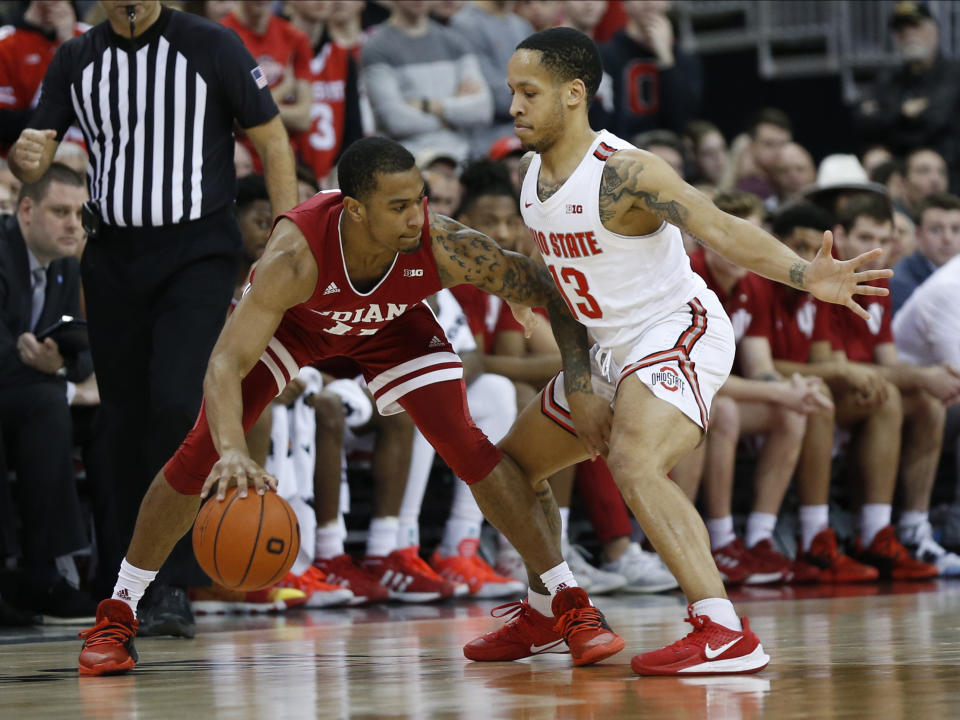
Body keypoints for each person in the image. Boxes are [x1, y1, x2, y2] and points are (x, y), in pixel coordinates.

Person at [76, 136, 625, 676]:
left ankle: (568, 603)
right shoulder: (294, 256)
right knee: (198, 455)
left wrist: (571, 367)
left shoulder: (443, 243)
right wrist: (231, 452)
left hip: (391, 326)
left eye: (421, 201)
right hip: (295, 327)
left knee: (468, 446)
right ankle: (119, 611)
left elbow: (549, 288)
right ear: (355, 209)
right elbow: (223, 364)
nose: (417, 217)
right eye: (399, 206)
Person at [466, 27, 890, 676]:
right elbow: (560, 288)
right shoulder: (531, 180)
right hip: (608, 349)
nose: (515, 106)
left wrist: (806, 275)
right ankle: (548, 603)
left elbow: (719, 226)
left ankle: (722, 630)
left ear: (574, 94)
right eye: (511, 93)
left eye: (529, 92)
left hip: (677, 330)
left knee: (634, 461)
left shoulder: (626, 172)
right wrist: (578, 380)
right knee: (505, 470)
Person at [8, 0, 298, 638]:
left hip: (197, 249)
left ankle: (172, 584)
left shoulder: (211, 44)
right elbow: (35, 157)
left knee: (174, 401)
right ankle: (126, 582)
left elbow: (272, 139)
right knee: (122, 421)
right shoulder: (75, 57)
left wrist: (286, 239)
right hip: (111, 255)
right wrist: (24, 157)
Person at [828, 193, 960, 575]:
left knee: (925, 402)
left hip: (861, 394)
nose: (875, 250)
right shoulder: (829, 284)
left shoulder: (876, 287)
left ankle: (912, 530)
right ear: (839, 235)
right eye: (865, 237)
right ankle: (870, 532)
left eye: (883, 240)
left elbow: (885, 364)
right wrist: (924, 376)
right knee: (890, 397)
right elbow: (838, 369)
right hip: (824, 394)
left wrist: (923, 381)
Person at [0, 163, 96, 619]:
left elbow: (81, 345)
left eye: (79, 214)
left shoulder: (63, 267)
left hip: (26, 395)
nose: (73, 225)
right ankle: (28, 571)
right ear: (25, 210)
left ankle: (80, 571)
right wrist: (63, 384)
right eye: (60, 211)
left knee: (109, 419)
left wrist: (59, 365)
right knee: (46, 405)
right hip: (17, 393)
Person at [362, 1, 492, 164]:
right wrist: (454, 114)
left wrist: (428, 106)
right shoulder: (377, 47)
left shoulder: (454, 41)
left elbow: (482, 110)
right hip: (408, 161)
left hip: (462, 156)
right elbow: (396, 121)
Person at [852, 1, 960, 192]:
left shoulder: (954, 75)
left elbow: (934, 120)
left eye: (915, 26)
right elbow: (864, 123)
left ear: (935, 31)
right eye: (900, 30)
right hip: (901, 184)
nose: (908, 34)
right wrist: (903, 114)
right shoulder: (887, 81)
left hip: (951, 180)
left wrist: (890, 119)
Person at [597, 0, 701, 138]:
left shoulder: (684, 60)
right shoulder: (604, 56)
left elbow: (682, 120)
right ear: (624, 5)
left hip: (668, 152)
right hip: (621, 152)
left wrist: (666, 58)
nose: (648, 2)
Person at [0, 0, 85, 155]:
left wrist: (68, 42)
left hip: (88, 161)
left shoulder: (94, 38)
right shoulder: (5, 42)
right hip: (23, 161)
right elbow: (5, 124)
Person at [890, 193, 960, 313]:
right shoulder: (899, 283)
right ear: (918, 235)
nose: (947, 238)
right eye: (936, 230)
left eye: (955, 229)